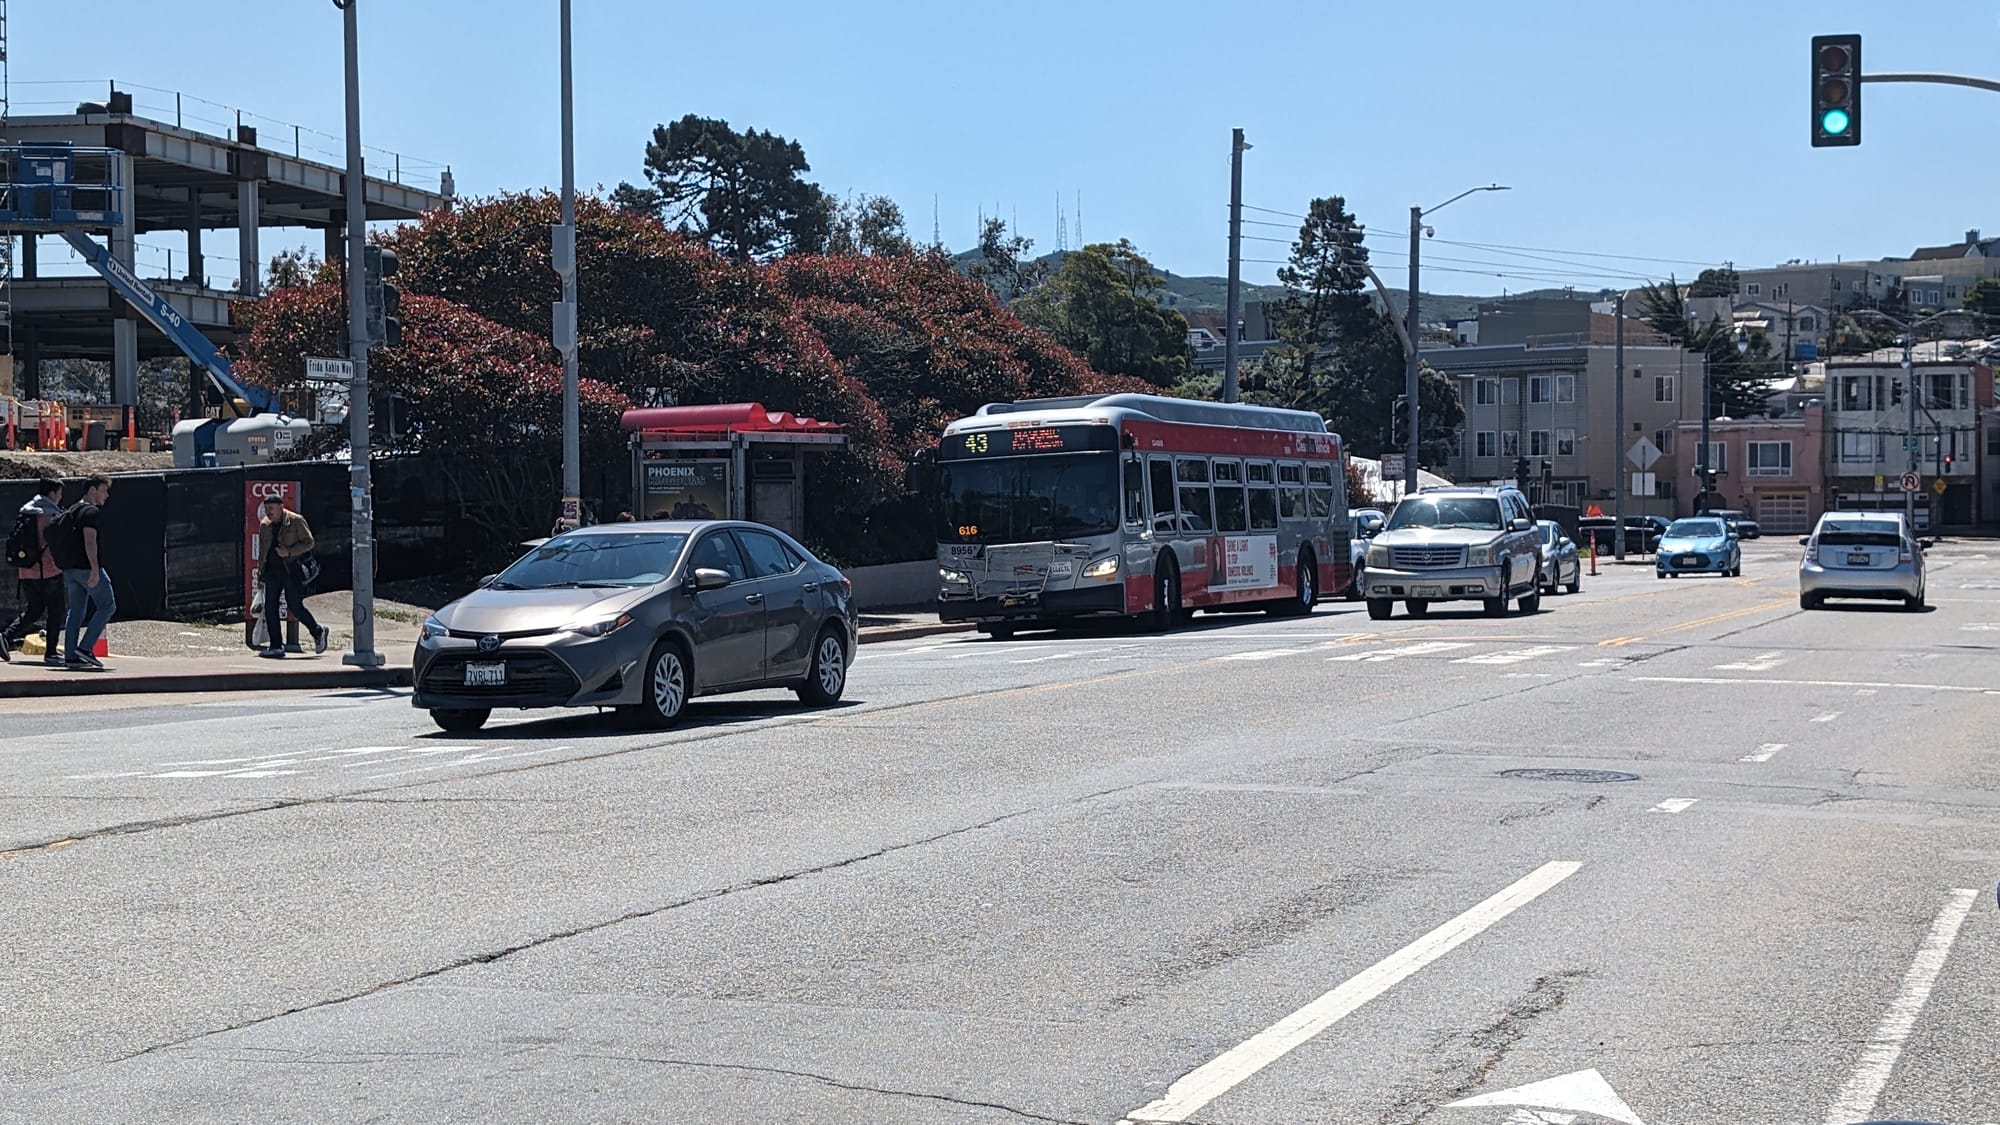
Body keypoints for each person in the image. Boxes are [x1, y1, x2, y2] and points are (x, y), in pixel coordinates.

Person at [49, 474, 114, 672]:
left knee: (76, 612)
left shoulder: (72, 510)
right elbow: (90, 541)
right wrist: (95, 569)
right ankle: (85, 648)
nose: (106, 496)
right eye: (103, 491)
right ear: (92, 490)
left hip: (70, 570)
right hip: (86, 569)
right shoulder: (91, 512)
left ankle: (71, 656)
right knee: (108, 605)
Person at [255, 495, 329, 658]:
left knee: (294, 605)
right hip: (273, 571)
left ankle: (318, 631)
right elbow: (262, 552)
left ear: (281, 507)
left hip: (291, 570)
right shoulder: (265, 525)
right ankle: (276, 645)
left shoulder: (295, 521)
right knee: (270, 608)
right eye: (266, 509)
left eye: (271, 508)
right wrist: (260, 575)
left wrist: (289, 552)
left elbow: (309, 542)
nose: (268, 512)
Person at [2, 478, 65, 666]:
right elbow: (55, 544)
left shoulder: (26, 512)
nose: (61, 498)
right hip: (49, 571)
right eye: (59, 493)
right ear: (52, 493)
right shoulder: (50, 514)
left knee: (34, 609)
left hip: (27, 571)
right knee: (56, 610)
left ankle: (5, 636)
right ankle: (51, 652)